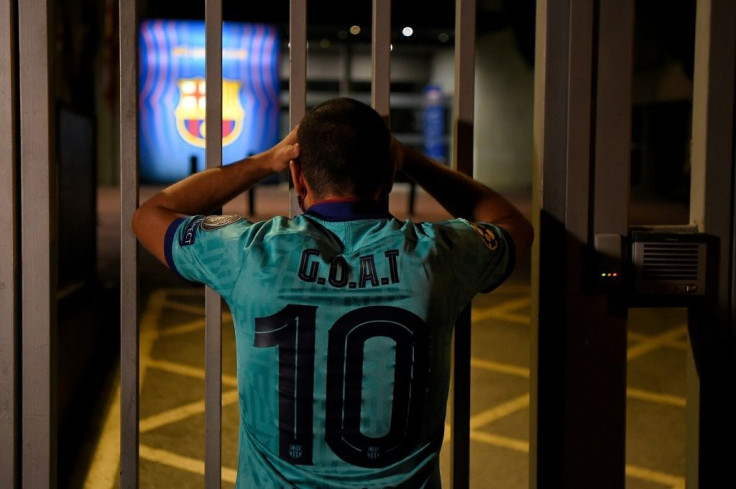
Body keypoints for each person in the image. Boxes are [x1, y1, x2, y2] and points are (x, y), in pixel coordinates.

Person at [133, 97, 533, 489]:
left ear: (298, 178)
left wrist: (262, 162)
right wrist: (412, 161)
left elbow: (151, 214)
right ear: (388, 177)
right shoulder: (437, 255)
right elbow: (511, 223)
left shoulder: (250, 252)